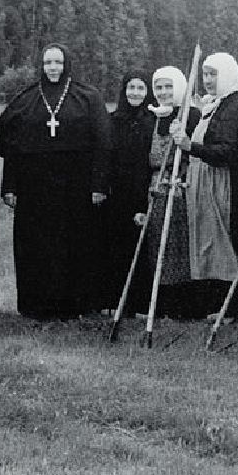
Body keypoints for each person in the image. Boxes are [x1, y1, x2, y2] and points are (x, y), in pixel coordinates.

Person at [0, 43, 111, 319]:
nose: (53, 68)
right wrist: (10, 185)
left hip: (77, 186)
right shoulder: (27, 98)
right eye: (48, 62)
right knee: (39, 245)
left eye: (58, 62)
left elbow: (103, 143)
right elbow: (10, 143)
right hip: (36, 188)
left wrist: (99, 184)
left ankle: (78, 305)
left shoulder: (88, 97)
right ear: (41, 65)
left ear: (67, 63)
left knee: (76, 244)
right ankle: (38, 306)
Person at [171, 52, 238, 319]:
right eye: (205, 74)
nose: (207, 80)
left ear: (227, 74)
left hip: (221, 183)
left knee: (223, 244)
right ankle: (213, 304)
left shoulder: (235, 103)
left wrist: (190, 146)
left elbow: (227, 151)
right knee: (208, 243)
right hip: (204, 181)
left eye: (213, 74)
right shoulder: (214, 103)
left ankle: (232, 307)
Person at [131, 66, 200, 318]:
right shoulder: (151, 118)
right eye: (158, 87)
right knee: (156, 245)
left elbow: (196, 151)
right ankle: (160, 304)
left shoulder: (191, 115)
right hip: (155, 189)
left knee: (180, 247)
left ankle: (185, 305)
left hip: (181, 186)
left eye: (168, 87)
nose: (163, 92)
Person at [104, 69, 154, 311]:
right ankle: (117, 301)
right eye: (131, 88)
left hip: (144, 189)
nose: (135, 93)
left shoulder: (153, 120)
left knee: (142, 247)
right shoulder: (112, 121)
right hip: (118, 193)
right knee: (117, 245)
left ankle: (140, 302)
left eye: (141, 88)